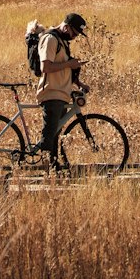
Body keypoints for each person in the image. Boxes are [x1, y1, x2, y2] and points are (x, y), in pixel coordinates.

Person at [34, 12, 88, 166]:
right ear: (66, 27)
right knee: (49, 137)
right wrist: (69, 65)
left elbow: (63, 68)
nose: (75, 37)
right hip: (51, 93)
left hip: (62, 94)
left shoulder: (62, 42)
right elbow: (45, 67)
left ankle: (54, 167)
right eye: (74, 33)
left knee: (55, 136)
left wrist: (79, 83)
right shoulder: (50, 40)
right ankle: (47, 170)